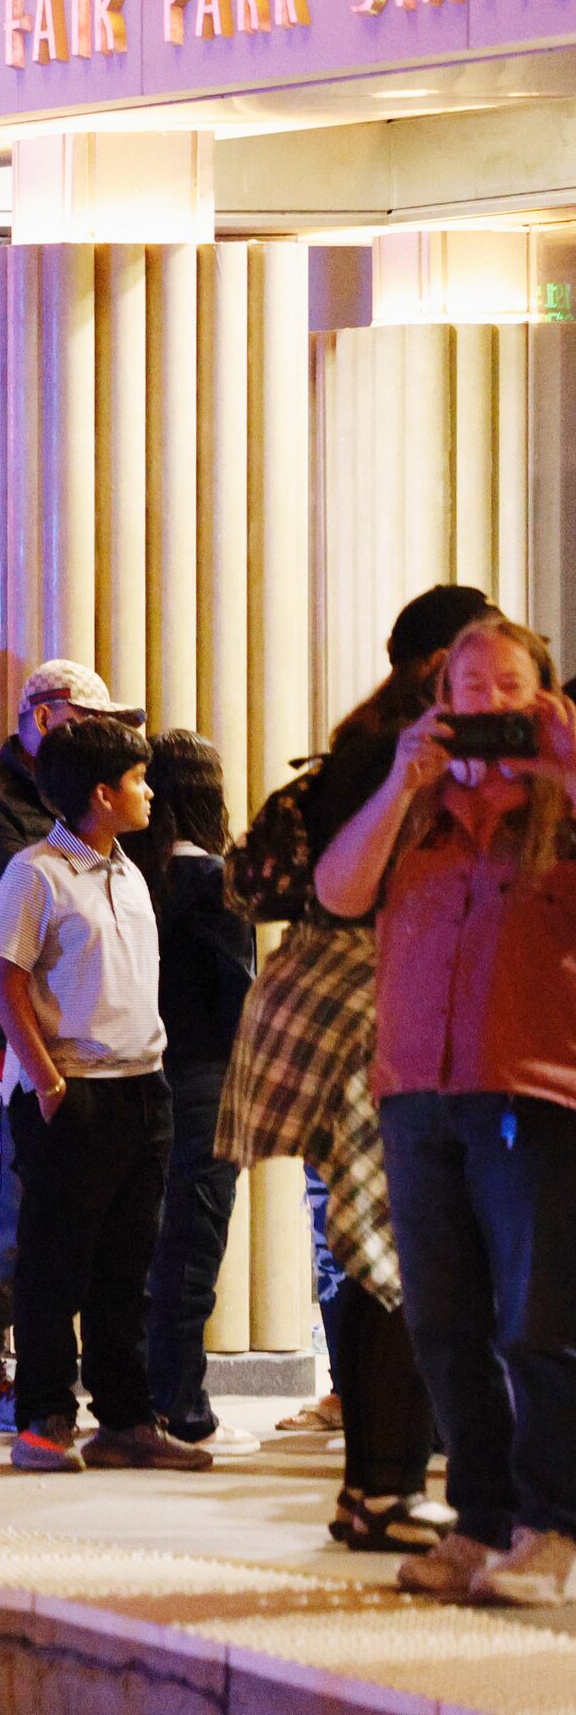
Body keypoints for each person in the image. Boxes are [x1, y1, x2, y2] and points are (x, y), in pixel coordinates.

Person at [313, 617, 576, 1605]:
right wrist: (400, 783)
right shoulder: (413, 812)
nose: (487, 703)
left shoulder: (561, 809)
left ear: (540, 693)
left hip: (532, 1096)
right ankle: (479, 1522)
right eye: (466, 686)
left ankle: (552, 1528)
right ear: (439, 700)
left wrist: (564, 770)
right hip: (415, 1096)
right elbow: (339, 892)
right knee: (445, 1323)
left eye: (508, 684)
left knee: (538, 1326)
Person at [225, 585, 486, 1558]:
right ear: (435, 665)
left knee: (373, 1247)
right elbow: (357, 892)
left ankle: (374, 1487)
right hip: (380, 1012)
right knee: (393, 1252)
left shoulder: (358, 743)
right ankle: (381, 1487)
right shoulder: (403, 757)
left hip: (331, 1010)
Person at [0, 714, 210, 1474]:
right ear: (103, 793)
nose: (150, 793)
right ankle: (44, 1422)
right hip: (71, 1091)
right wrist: (47, 1080)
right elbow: (3, 980)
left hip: (142, 1089)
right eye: (139, 780)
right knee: (55, 1266)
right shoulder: (37, 872)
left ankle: (125, 1420)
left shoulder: (130, 870)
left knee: (128, 1268)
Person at [0, 656, 140, 1429]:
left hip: (88, 1036)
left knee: (70, 1208)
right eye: (88, 726)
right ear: (46, 717)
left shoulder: (95, 828)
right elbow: (19, 894)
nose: (101, 745)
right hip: (7, 1032)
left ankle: (57, 1369)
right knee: (4, 1195)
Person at [118, 730, 258, 1456]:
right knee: (194, 1246)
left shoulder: (131, 875)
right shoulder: (214, 880)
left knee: (143, 1245)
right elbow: (242, 999)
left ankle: (140, 1400)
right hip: (206, 1079)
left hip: (135, 1077)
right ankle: (187, 1408)